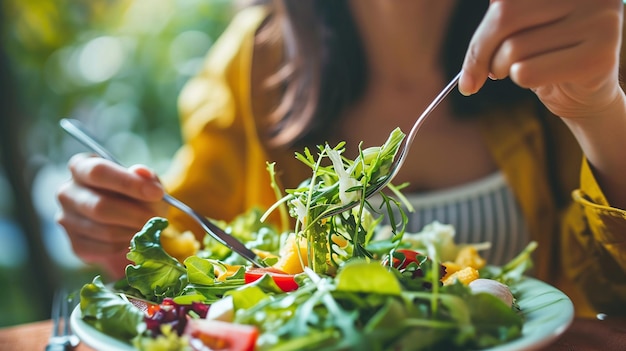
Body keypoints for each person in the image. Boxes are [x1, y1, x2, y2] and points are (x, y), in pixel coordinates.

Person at [56, 0, 626, 317]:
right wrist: (120, 229)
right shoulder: (254, 58)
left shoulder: (568, 36)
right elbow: (183, 258)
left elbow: (613, 300)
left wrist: (599, 113)